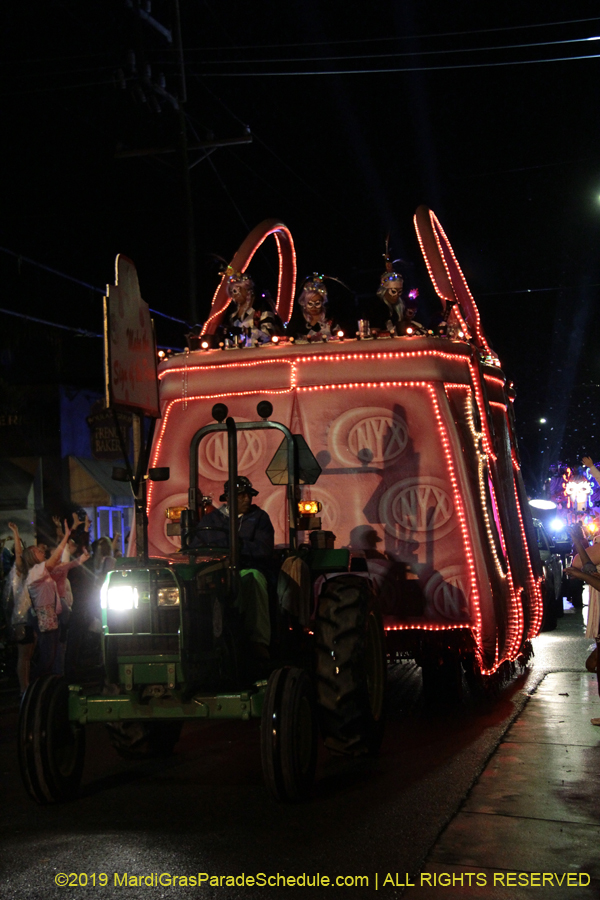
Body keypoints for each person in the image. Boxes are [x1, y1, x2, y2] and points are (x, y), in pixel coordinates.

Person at [188, 476, 274, 655]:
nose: (247, 499)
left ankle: (258, 640)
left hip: (244, 568)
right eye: (241, 495)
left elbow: (263, 549)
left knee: (254, 578)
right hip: (217, 571)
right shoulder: (210, 521)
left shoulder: (259, 518)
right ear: (227, 498)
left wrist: (238, 546)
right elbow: (196, 547)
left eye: (248, 495)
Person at [219, 268, 282, 347]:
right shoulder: (233, 315)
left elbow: (267, 336)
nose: (233, 295)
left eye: (235, 291)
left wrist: (243, 331)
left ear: (247, 290)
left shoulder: (261, 308)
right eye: (231, 292)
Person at [286, 274, 341, 342]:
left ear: (323, 302)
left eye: (317, 303)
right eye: (310, 304)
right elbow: (289, 337)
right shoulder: (298, 319)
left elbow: (339, 336)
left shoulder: (330, 318)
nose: (313, 307)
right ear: (304, 303)